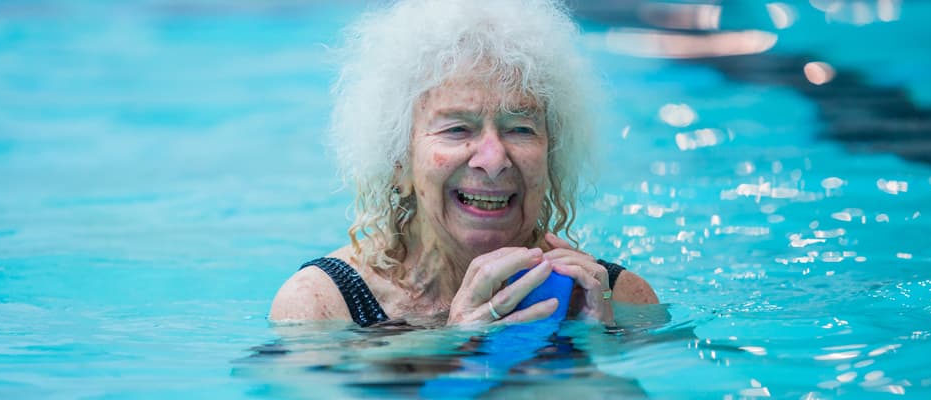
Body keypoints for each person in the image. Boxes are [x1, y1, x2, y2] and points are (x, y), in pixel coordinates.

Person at [270, 0, 658, 328]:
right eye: (457, 128)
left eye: (521, 129)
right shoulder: (321, 308)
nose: (493, 160)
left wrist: (600, 347)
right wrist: (459, 348)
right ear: (399, 162)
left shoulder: (620, 300)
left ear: (552, 157)